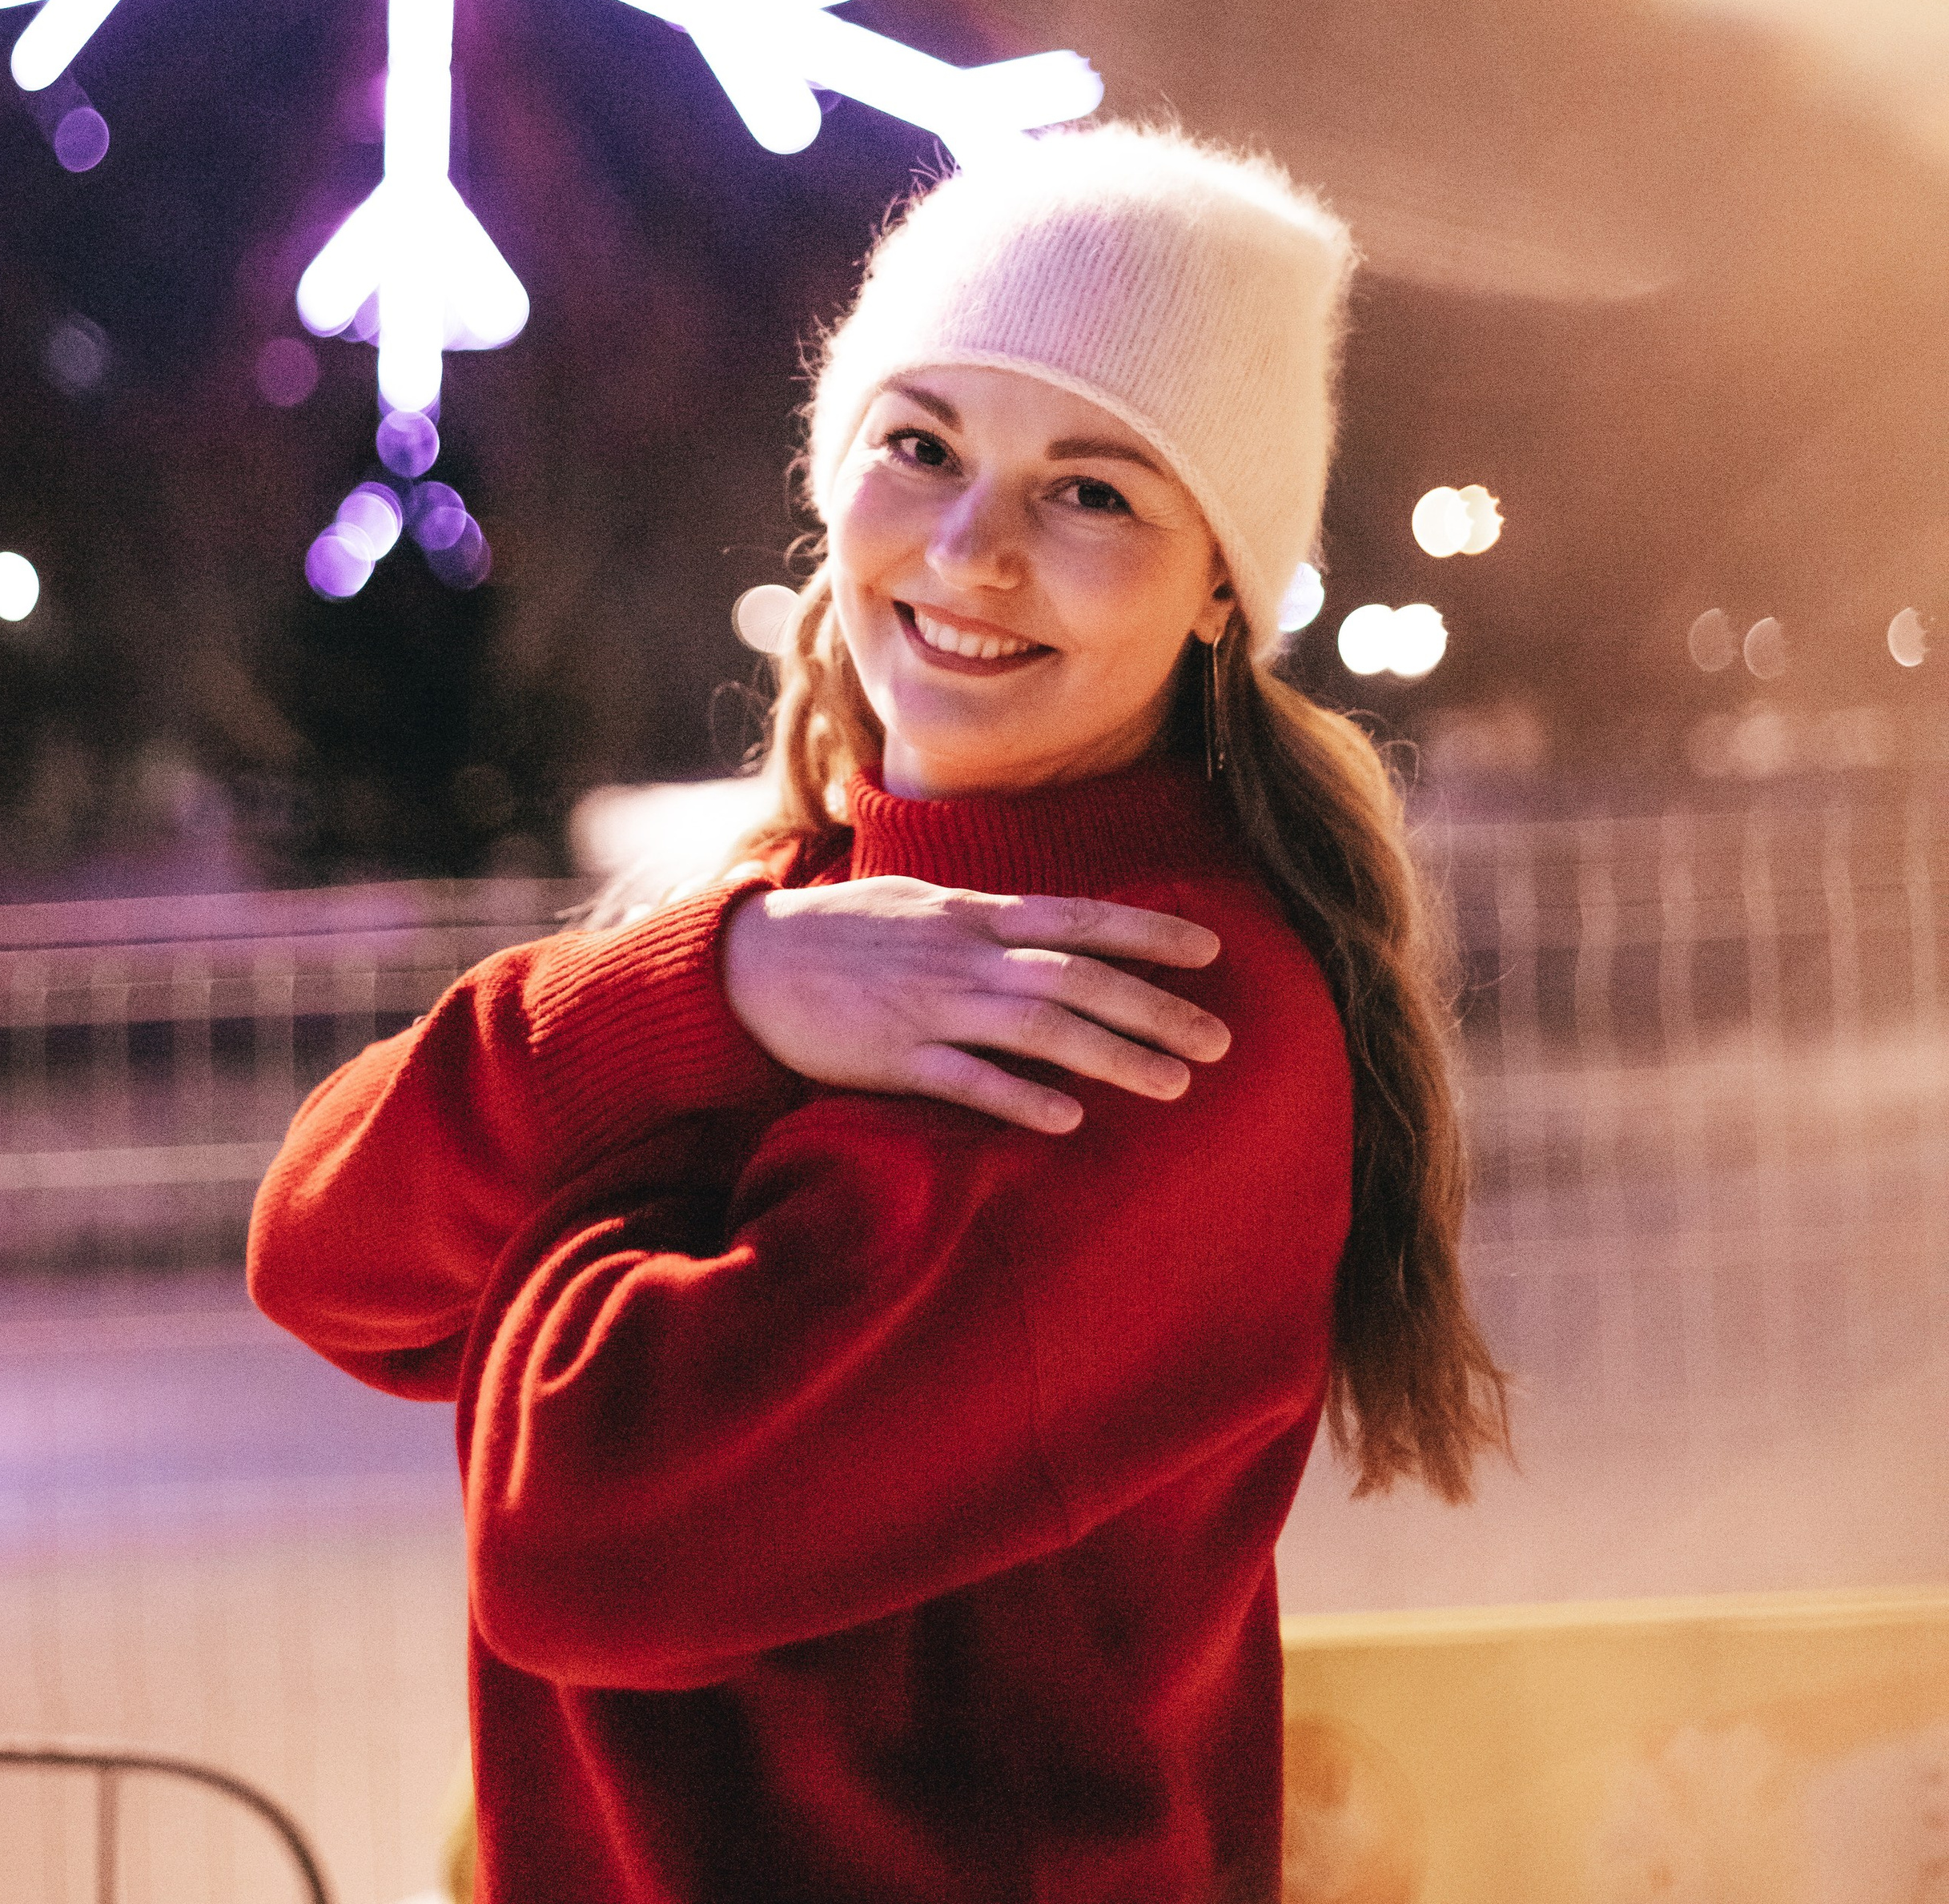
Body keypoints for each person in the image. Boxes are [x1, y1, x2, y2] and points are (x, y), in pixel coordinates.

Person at [250, 123, 1507, 1903]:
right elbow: (316, 1251)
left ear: (1221, 581)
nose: (971, 547)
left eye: (1093, 491)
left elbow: (591, 1529)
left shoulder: (1158, 1014)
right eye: (918, 445)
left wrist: (625, 1118)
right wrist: (725, 989)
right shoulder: (800, 909)